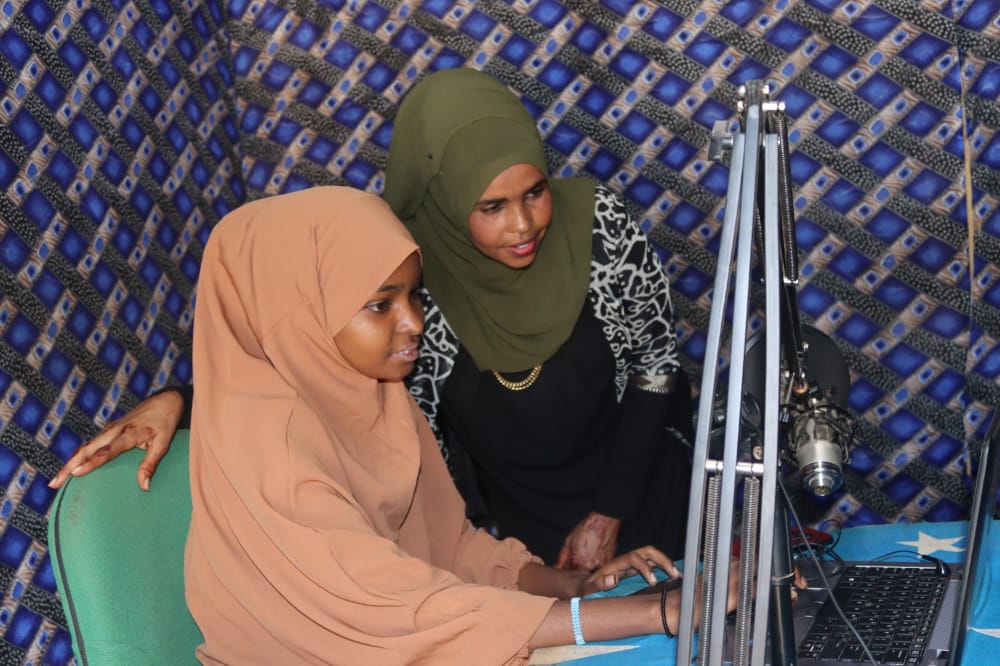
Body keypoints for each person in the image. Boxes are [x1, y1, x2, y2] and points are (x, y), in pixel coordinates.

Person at [51, 68, 693, 571]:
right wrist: (179, 401)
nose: (523, 225)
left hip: (645, 492)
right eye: (491, 206)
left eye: (534, 192)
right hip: (518, 539)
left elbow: (658, 366)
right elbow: (309, 369)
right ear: (441, 200)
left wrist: (612, 511)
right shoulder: (407, 275)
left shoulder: (598, 228)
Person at [178, 185, 727, 663]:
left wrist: (576, 587)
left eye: (413, 295)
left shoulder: (374, 396)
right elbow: (403, 612)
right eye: (379, 305)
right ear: (299, 311)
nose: (414, 322)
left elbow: (455, 550)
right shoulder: (270, 450)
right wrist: (654, 612)